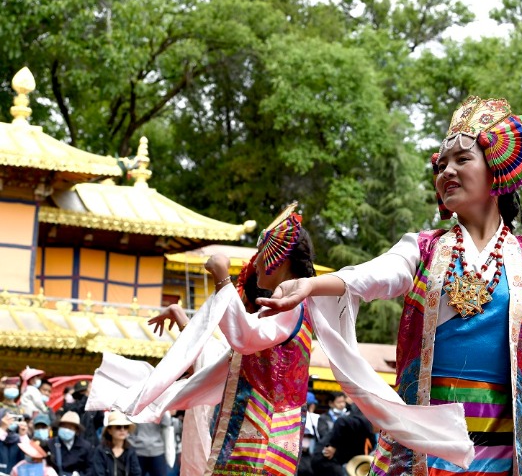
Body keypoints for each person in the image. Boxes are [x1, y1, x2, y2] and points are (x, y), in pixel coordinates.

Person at [257, 96, 522, 475]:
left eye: (462, 159)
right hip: (424, 446)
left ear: (495, 171)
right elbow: (375, 274)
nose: (446, 170)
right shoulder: (422, 249)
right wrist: (313, 286)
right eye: (441, 164)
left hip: (506, 453)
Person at [87, 204, 318, 476]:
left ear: (279, 257)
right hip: (262, 428)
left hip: (264, 431)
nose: (256, 263)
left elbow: (243, 337)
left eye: (259, 255)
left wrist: (222, 280)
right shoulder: (286, 311)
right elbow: (225, 352)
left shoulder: (288, 307)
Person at [311, 405, 376, 476]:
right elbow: (341, 421)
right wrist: (333, 445)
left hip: (337, 461)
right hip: (325, 458)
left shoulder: (370, 436)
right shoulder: (364, 422)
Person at [89, 411, 141, 476]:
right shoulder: (100, 451)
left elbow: (136, 473)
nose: (122, 430)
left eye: (125, 427)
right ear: (109, 430)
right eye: (118, 427)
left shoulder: (130, 450)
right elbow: (98, 473)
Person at [44, 412, 92, 476]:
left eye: (70, 428)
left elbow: (90, 469)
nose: (66, 430)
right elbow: (44, 464)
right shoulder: (50, 444)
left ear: (76, 430)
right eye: (64, 426)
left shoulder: (85, 446)